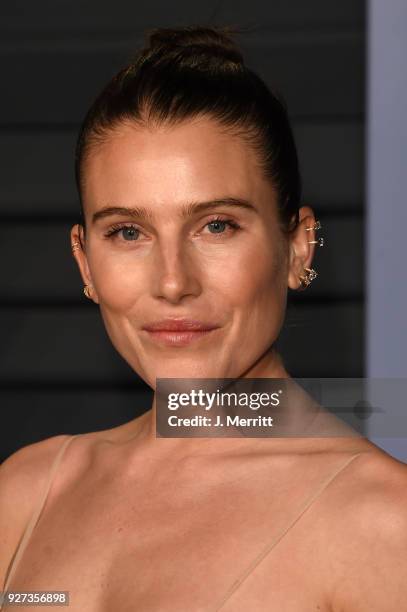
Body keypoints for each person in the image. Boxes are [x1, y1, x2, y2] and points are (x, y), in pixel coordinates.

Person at [1, 25, 406, 612]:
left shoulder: (382, 524)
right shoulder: (27, 489)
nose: (172, 282)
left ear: (298, 245)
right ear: (84, 261)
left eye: (217, 226)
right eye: (127, 232)